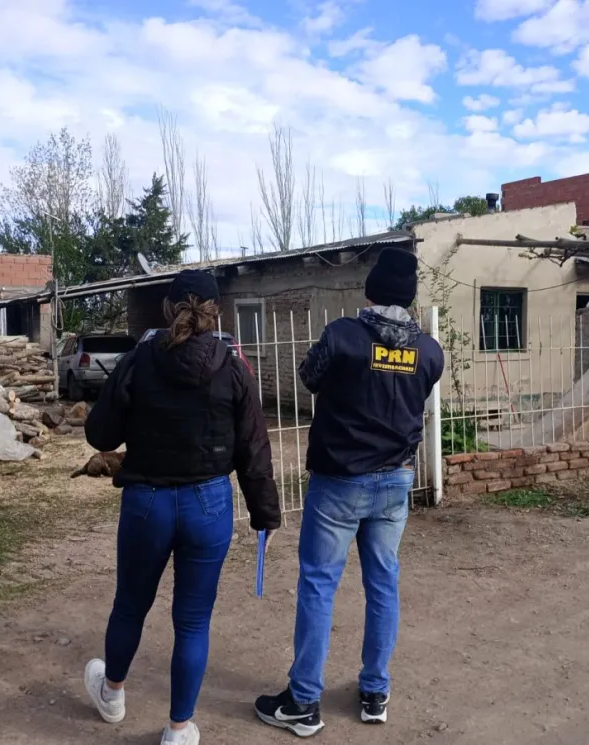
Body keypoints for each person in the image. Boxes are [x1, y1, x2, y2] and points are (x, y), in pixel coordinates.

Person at [82, 269, 281, 745]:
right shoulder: (233, 368)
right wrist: (265, 515)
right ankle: (179, 728)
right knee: (192, 619)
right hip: (208, 503)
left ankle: (112, 695)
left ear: (168, 310)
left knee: (130, 605)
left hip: (145, 502)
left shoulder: (138, 362)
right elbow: (254, 447)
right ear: (217, 314)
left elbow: (101, 435)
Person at [254, 247, 444, 737]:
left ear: (371, 290)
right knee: (383, 583)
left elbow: (309, 378)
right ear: (410, 296)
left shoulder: (343, 336)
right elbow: (413, 394)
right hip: (395, 481)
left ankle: (303, 701)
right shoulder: (428, 351)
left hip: (339, 482)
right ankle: (375, 693)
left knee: (319, 583)